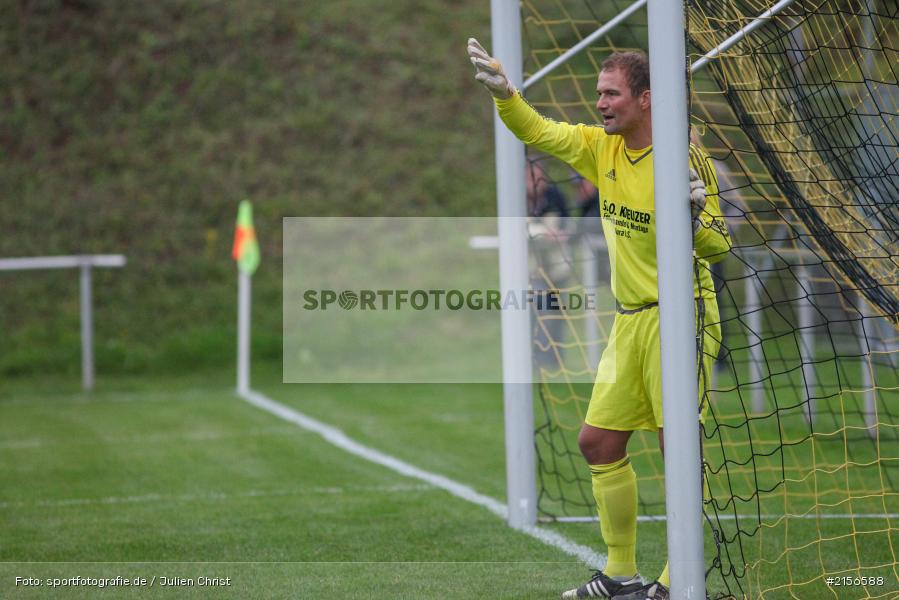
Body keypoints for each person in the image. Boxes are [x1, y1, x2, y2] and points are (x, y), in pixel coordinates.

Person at [467, 38, 732, 600]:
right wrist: (505, 94)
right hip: (631, 320)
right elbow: (539, 131)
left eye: (611, 94)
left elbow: (719, 249)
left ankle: (674, 580)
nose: (601, 104)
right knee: (597, 443)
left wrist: (694, 214)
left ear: (646, 98)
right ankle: (620, 574)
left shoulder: (684, 157)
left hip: (684, 317)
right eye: (597, 94)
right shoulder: (599, 148)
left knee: (676, 447)